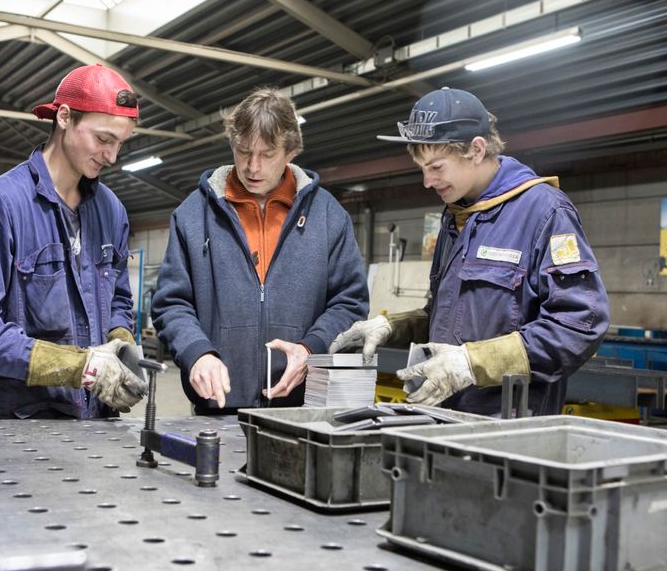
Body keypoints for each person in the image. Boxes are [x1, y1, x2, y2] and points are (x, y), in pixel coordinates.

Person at [330, 87, 609, 416]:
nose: (427, 181)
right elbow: (452, 318)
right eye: (421, 168)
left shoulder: (544, 212)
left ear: (476, 150)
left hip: (508, 432)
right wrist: (392, 327)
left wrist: (472, 363)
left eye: (436, 167)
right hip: (443, 419)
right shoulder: (456, 216)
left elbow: (580, 324)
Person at [0, 64, 147, 419]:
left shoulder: (112, 210)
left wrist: (122, 342)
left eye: (120, 143)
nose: (112, 156)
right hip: (22, 423)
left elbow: (117, 296)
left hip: (97, 420)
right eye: (103, 139)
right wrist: (78, 367)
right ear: (65, 117)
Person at [151, 87, 369, 414]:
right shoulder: (193, 215)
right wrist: (197, 352)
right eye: (243, 151)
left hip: (301, 411)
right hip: (218, 408)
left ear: (291, 151)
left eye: (267, 154)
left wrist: (312, 348)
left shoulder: (328, 216)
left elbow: (350, 302)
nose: (252, 166)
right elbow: (171, 302)